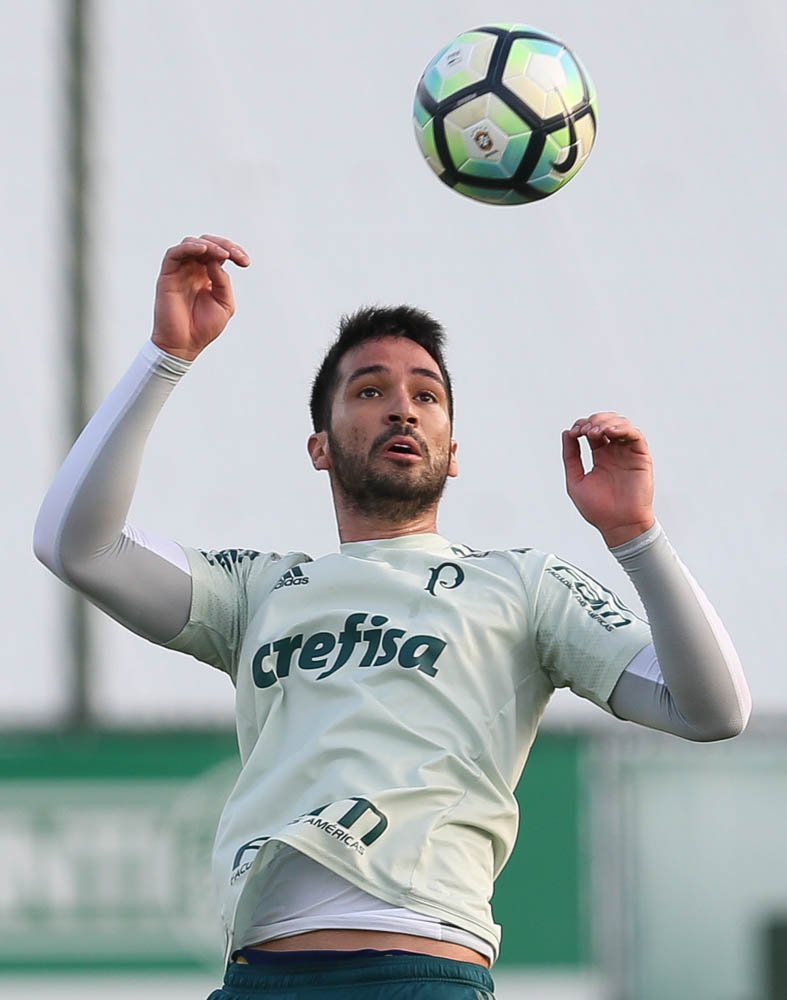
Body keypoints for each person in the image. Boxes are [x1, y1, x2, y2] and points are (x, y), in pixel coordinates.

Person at [34, 234, 751, 1000]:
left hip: (423, 969)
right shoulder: (258, 592)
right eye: (369, 391)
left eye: (426, 394)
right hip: (259, 979)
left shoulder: (523, 585)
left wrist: (634, 536)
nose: (402, 407)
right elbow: (76, 545)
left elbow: (712, 710)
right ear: (319, 445)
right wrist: (166, 355)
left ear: (452, 450)